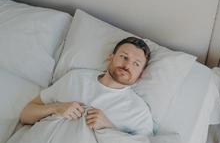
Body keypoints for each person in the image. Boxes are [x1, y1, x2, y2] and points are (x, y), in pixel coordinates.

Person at [19, 37, 153, 135]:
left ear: (141, 74)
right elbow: (26, 114)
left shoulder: (139, 112)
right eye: (124, 57)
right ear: (111, 57)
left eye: (136, 64)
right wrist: (56, 108)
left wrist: (109, 127)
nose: (127, 65)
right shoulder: (75, 78)